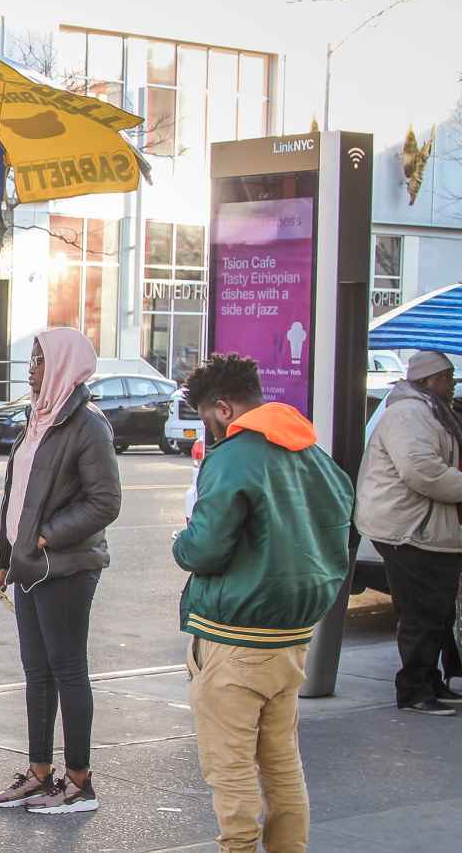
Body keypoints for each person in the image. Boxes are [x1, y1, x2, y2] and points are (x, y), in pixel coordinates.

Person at [173, 354, 353, 853]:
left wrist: (179, 543)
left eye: (207, 417)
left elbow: (205, 549)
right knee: (282, 766)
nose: (207, 429)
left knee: (229, 771)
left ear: (224, 409)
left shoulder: (233, 458)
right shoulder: (314, 453)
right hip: (291, 639)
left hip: (234, 639)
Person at [0, 328, 120, 815]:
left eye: (41, 360)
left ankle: (79, 781)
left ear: (64, 365)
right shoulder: (36, 420)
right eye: (32, 359)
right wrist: (4, 561)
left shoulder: (87, 425)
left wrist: (46, 536)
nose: (32, 368)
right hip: (27, 568)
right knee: (36, 673)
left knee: (67, 671)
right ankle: (40, 773)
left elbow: (105, 502)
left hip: (66, 567)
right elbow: (15, 499)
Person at [355, 350, 462, 715]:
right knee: (422, 613)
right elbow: (424, 473)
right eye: (446, 377)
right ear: (428, 380)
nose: (451, 384)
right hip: (408, 531)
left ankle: (430, 681)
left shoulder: (430, 410)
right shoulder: (409, 413)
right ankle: (414, 690)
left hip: (427, 530)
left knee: (437, 613)